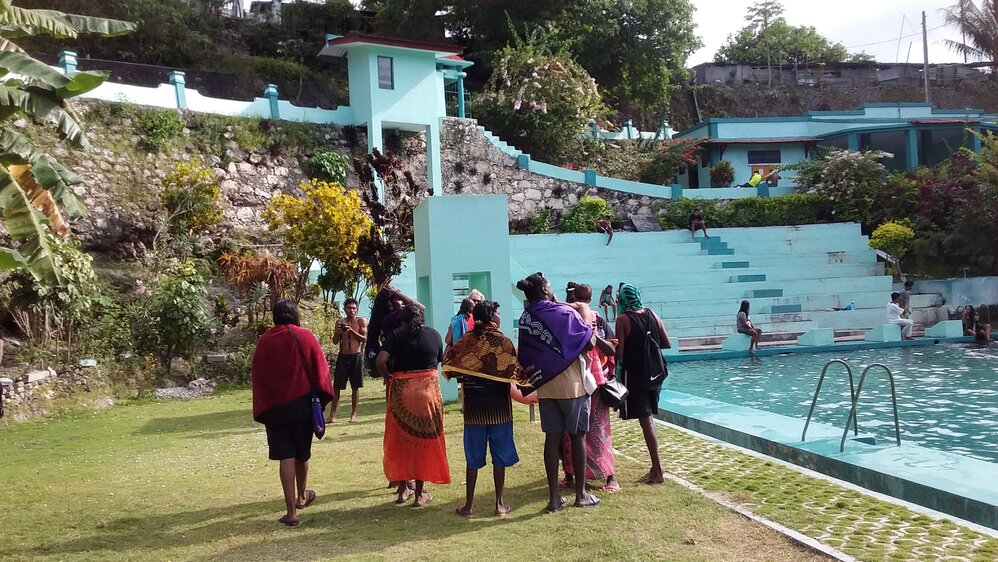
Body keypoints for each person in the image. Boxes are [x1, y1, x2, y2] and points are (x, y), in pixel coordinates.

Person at [516, 272, 601, 512]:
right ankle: (581, 495)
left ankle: (554, 499)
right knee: (577, 437)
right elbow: (591, 343)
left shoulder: (526, 318)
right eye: (550, 285)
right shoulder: (564, 313)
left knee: (551, 439)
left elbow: (527, 353)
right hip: (572, 385)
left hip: (546, 386)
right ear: (545, 290)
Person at [251, 300, 335, 527]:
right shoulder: (305, 336)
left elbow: (258, 375)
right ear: (295, 314)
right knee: (302, 453)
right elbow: (321, 370)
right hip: (302, 405)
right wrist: (325, 399)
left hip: (275, 408)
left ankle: (291, 513)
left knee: (285, 456)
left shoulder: (265, 341)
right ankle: (301, 497)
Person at [443, 300, 528, 518]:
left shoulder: (466, 341)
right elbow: (517, 373)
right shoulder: (504, 342)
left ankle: (469, 506)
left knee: (473, 458)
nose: (500, 317)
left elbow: (448, 363)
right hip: (499, 408)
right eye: (498, 313)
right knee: (499, 458)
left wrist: (467, 374)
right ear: (492, 317)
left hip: (474, 409)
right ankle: (499, 505)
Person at [376, 303, 450, 507]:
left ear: (403, 320)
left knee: (400, 441)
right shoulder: (434, 335)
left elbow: (381, 361)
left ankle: (402, 491)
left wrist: (388, 378)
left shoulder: (397, 335)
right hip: (428, 393)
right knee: (424, 441)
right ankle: (419, 494)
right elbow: (441, 361)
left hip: (402, 393)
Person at [561, 284, 619, 494]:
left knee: (597, 431)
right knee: (570, 433)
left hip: (594, 382)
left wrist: (592, 336)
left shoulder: (596, 320)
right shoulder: (566, 321)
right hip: (574, 383)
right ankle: (570, 475)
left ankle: (610, 476)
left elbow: (612, 348)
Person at [615, 284, 670, 485]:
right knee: (648, 419)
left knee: (646, 420)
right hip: (655, 374)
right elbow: (666, 343)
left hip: (636, 375)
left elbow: (619, 353)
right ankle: (655, 468)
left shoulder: (623, 320)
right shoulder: (652, 314)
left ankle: (658, 470)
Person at [328, 298, 367, 424]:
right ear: (344, 309)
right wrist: (338, 332)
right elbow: (334, 341)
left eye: (354, 308)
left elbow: (364, 339)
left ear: (357, 309)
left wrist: (351, 331)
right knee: (337, 387)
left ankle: (353, 414)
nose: (352, 310)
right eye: (349, 308)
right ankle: (332, 415)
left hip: (356, 356)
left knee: (355, 386)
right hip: (343, 356)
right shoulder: (340, 322)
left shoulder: (361, 321)